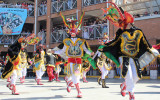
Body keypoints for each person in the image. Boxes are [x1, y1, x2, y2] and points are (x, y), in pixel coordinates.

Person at [100, 2, 159, 100]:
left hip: (134, 58)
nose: (122, 24)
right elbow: (114, 43)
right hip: (124, 58)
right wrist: (105, 46)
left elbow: (145, 43)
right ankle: (131, 94)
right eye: (121, 23)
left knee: (136, 76)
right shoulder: (120, 33)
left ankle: (124, 86)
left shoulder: (138, 32)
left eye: (123, 22)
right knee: (129, 75)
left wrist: (152, 48)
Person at [51, 12, 94, 98]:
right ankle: (71, 85)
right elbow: (62, 51)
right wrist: (54, 52)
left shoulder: (82, 41)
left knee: (76, 76)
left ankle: (78, 90)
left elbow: (85, 50)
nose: (73, 32)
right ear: (69, 31)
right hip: (70, 61)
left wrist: (91, 53)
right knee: (73, 76)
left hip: (78, 61)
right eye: (71, 31)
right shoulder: (66, 41)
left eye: (74, 31)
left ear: (77, 31)